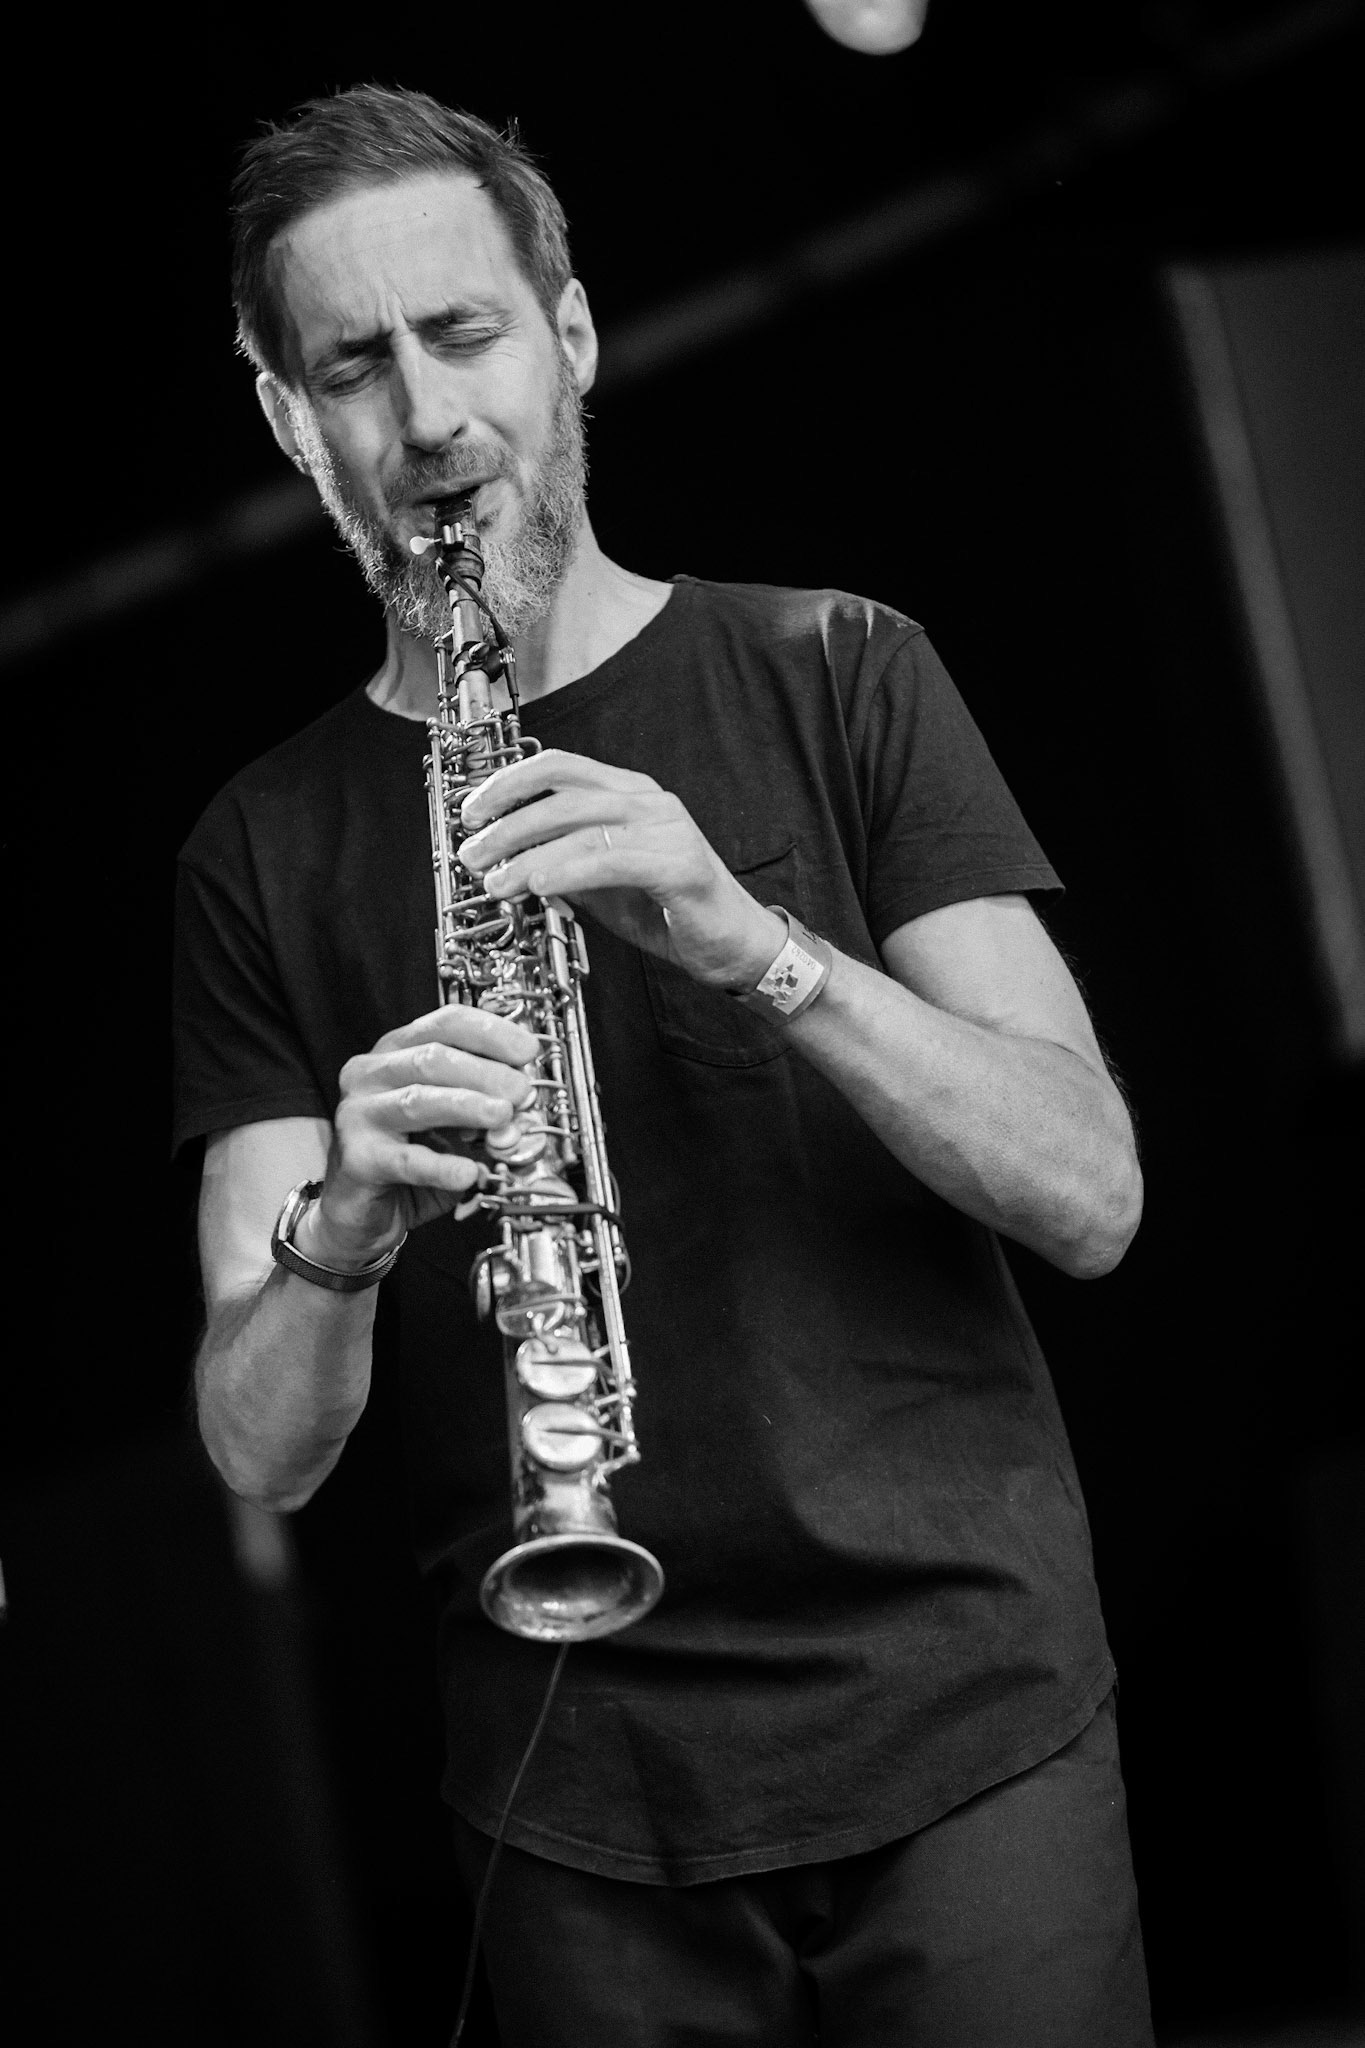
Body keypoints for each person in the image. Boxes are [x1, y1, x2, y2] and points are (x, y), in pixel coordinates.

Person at [176, 84, 1151, 2047]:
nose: (427, 416)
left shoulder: (839, 665)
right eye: (354, 366)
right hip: (579, 1791)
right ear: (288, 419)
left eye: (465, 333)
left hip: (964, 1714)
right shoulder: (257, 850)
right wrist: (343, 1222)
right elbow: (256, 1446)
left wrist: (753, 944)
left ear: (571, 335)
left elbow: (1091, 1194)